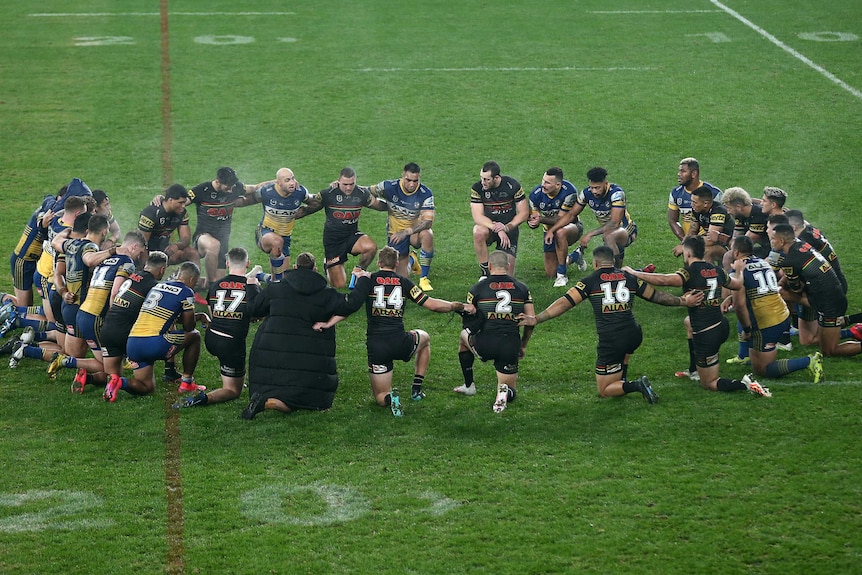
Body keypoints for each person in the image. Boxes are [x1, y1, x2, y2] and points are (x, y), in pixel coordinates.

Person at [519, 246, 702, 403]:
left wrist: (538, 318)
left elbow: (564, 303)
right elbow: (657, 296)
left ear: (595, 264)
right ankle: (621, 379)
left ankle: (635, 385)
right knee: (625, 352)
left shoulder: (590, 282)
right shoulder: (630, 278)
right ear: (613, 262)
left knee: (604, 390)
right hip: (634, 334)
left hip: (612, 340)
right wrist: (683, 301)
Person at [313, 246, 467, 416]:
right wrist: (456, 306)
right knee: (425, 339)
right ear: (396, 264)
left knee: (380, 396)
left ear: (378, 263)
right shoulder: (404, 282)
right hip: (401, 341)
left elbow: (350, 308)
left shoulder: (368, 280)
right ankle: (416, 389)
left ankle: (390, 398)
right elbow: (431, 304)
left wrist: (328, 323)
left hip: (377, 347)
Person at [624, 236, 772, 396]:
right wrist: (740, 270)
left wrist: (634, 273)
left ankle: (747, 385)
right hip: (721, 326)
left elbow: (663, 280)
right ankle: (694, 370)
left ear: (687, 254)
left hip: (706, 333)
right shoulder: (716, 270)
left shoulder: (689, 273)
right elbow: (737, 284)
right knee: (688, 322)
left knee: (710, 383)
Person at [241, 252, 360, 419]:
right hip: (310, 359)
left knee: (281, 386)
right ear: (315, 269)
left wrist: (252, 285)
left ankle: (267, 400)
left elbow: (253, 309)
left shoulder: (276, 288)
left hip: (272, 351)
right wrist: (364, 281)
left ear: (295, 267)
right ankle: (272, 402)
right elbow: (350, 305)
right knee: (302, 399)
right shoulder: (326, 294)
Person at [48, 223, 142, 391]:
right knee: (112, 371)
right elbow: (114, 293)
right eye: (141, 252)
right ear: (134, 247)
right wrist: (115, 319)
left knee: (104, 364)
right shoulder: (126, 262)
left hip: (82, 312)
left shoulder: (103, 257)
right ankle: (66, 361)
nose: (140, 257)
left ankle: (84, 375)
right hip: (94, 317)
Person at [721, 236, 823, 382]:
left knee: (762, 369)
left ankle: (808, 361)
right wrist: (730, 298)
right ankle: (744, 356)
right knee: (756, 353)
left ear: (736, 252)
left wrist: (748, 331)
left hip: (766, 322)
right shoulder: (763, 262)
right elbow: (759, 288)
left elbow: (739, 307)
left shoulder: (738, 273)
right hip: (781, 315)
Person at [173, 247, 261, 408]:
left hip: (212, 337)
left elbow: (212, 313)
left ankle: (232, 376)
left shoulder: (216, 284)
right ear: (247, 263)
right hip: (231, 343)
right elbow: (258, 312)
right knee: (234, 391)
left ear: (227, 263)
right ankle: (202, 399)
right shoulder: (250, 286)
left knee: (232, 371)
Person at [453, 250, 534, 413]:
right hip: (510, 344)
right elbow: (531, 320)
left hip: (484, 343)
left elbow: (467, 321)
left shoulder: (477, 288)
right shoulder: (522, 288)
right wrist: (523, 345)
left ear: (489, 266)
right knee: (509, 388)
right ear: (508, 266)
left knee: (463, 337)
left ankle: (469, 385)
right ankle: (502, 393)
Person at [113, 262, 207, 400]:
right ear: (192, 279)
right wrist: (196, 317)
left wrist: (199, 316)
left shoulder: (158, 286)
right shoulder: (186, 291)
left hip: (133, 344)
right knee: (195, 336)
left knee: (146, 387)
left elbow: (168, 316)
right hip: (153, 343)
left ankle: (119, 382)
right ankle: (187, 382)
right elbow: (188, 327)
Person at [769, 223, 860, 358]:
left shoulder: (790, 261)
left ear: (782, 241)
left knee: (830, 351)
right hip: (832, 295)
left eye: (772, 239)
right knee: (821, 345)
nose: (771, 242)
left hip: (828, 303)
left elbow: (796, 289)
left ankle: (783, 335)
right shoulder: (801, 245)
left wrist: (783, 291)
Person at [99, 251, 169, 401]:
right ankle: (171, 372)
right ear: (162, 269)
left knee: (112, 376)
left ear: (146, 265)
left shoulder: (133, 276)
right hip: (127, 335)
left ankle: (95, 379)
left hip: (107, 329)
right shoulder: (153, 286)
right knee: (147, 386)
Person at [303, 167, 386, 288]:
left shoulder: (361, 194)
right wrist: (289, 215)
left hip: (352, 236)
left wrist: (396, 205)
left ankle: (359, 271)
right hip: (333, 242)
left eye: (351, 184)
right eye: (345, 184)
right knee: (339, 285)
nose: (348, 188)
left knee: (371, 247)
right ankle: (328, 263)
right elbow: (309, 207)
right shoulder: (328, 194)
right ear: (338, 181)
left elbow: (378, 205)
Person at [187, 167, 267, 287]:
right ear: (217, 182)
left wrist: (277, 182)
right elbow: (181, 201)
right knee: (213, 245)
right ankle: (210, 285)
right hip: (202, 237)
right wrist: (163, 200)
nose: (230, 190)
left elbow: (256, 187)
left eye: (232, 187)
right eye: (227, 187)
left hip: (223, 239)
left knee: (223, 282)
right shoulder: (202, 190)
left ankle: (255, 274)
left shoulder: (235, 187)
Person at [546, 166, 637, 268]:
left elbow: (614, 223)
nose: (594, 191)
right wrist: (552, 230)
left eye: (597, 187)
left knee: (609, 237)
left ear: (606, 184)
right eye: (592, 187)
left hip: (626, 229)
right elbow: (571, 214)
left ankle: (615, 274)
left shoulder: (616, 194)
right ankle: (576, 256)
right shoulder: (586, 194)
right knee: (606, 250)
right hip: (608, 231)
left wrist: (590, 234)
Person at [369, 163, 437, 291]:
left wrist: (406, 232)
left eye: (415, 181)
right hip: (395, 234)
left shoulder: (425, 193)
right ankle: (412, 260)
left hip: (413, 233)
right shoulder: (388, 187)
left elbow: (428, 222)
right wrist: (341, 186)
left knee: (428, 233)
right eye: (408, 180)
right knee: (401, 278)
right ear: (402, 176)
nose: (412, 184)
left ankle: (424, 279)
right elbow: (366, 191)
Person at [241, 167, 314, 281]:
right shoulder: (267, 191)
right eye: (287, 180)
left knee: (282, 280)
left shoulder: (300, 192)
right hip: (265, 232)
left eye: (293, 179)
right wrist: (228, 203)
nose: (292, 183)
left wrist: (328, 196)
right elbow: (249, 199)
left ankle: (258, 274)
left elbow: (314, 201)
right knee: (276, 242)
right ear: (278, 183)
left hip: (285, 237)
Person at [470, 161, 528, 277]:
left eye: (487, 179)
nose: (483, 182)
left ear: (496, 178)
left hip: (509, 230)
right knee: (478, 231)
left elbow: (524, 213)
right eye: (482, 178)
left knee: (507, 276)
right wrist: (498, 229)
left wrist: (506, 228)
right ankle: (485, 274)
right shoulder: (477, 189)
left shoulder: (512, 186)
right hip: (489, 228)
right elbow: (477, 217)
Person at [528, 166, 584, 287]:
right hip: (548, 232)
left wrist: (541, 219)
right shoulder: (535, 195)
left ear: (558, 185)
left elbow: (562, 219)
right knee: (550, 274)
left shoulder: (569, 192)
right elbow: (534, 219)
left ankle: (562, 275)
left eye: (547, 183)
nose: (543, 185)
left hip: (572, 227)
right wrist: (533, 222)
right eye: (543, 180)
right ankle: (575, 256)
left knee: (560, 232)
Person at [137, 183, 197, 265]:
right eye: (180, 203)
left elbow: (186, 238)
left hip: (165, 251)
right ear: (170, 200)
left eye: (184, 203)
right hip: (147, 253)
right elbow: (142, 245)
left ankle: (192, 277)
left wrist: (176, 246)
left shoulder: (182, 213)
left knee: (192, 253)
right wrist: (148, 269)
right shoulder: (150, 213)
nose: (183, 206)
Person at [675, 185, 734, 265]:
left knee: (706, 252)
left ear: (705, 203)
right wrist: (683, 245)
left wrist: (686, 246)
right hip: (715, 242)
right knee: (689, 251)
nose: (692, 204)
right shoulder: (696, 209)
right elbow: (692, 231)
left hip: (729, 245)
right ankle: (690, 274)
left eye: (695, 202)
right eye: (691, 201)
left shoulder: (718, 211)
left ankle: (709, 276)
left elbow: (711, 240)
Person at [667, 157, 722, 244]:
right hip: (690, 239)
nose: (679, 174)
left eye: (683, 171)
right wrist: (685, 241)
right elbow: (673, 220)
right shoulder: (676, 193)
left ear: (694, 174)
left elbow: (722, 220)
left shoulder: (713, 193)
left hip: (710, 241)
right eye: (679, 171)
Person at [721, 186, 770, 262]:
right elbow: (736, 239)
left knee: (730, 256)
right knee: (730, 254)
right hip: (763, 249)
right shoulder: (740, 215)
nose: (728, 212)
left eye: (729, 208)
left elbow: (743, 245)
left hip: (770, 251)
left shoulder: (758, 215)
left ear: (738, 207)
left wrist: (723, 239)